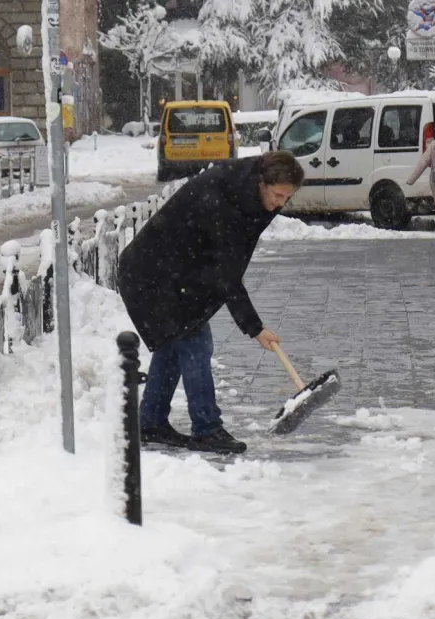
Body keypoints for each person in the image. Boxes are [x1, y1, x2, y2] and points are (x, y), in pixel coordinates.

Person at [117, 151, 305, 455]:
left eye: (288, 197)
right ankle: (207, 429)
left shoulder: (251, 192)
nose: (281, 203)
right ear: (262, 183)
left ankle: (151, 423)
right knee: (194, 341)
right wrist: (254, 327)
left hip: (176, 271)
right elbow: (226, 272)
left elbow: (232, 259)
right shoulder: (224, 200)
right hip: (151, 274)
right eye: (278, 195)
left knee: (172, 345)